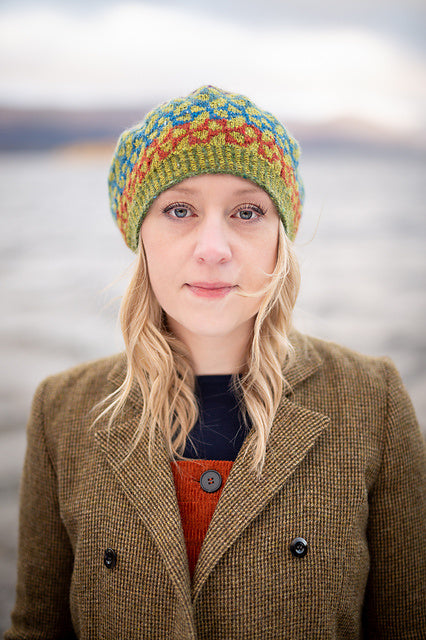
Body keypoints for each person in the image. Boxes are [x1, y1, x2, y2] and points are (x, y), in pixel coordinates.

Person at [5, 85, 425, 640]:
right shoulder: (62, 409)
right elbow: (38, 627)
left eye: (247, 212)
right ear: (140, 234)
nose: (213, 248)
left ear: (281, 237)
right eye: (179, 210)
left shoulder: (373, 399)